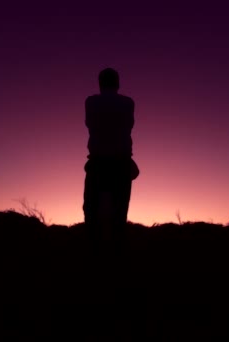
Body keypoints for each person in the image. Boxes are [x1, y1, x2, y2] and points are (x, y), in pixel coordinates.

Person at [83, 68, 139, 255]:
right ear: (118, 83)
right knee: (120, 211)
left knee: (91, 210)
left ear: (100, 83)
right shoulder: (128, 103)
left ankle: (93, 254)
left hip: (98, 162)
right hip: (121, 163)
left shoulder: (91, 102)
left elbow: (91, 124)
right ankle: (118, 256)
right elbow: (127, 127)